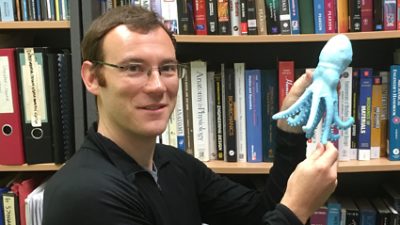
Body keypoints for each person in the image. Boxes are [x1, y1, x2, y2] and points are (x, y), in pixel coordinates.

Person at [42, 5, 338, 225]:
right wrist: (296, 210)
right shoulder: (84, 195)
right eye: (133, 68)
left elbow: (259, 212)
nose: (157, 86)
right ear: (92, 77)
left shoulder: (172, 163)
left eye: (168, 68)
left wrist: (289, 130)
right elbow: (281, 212)